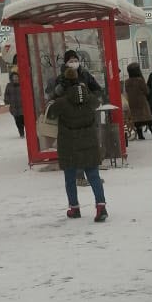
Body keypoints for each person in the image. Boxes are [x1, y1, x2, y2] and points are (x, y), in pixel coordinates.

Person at [51, 67, 108, 222]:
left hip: (69, 143)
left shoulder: (61, 102)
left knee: (70, 178)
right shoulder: (89, 98)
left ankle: (74, 208)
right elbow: (97, 102)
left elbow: (50, 112)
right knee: (94, 176)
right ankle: (101, 206)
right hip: (89, 141)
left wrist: (57, 93)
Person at [124, 62, 152, 140]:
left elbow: (126, 91)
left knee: (137, 119)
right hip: (142, 102)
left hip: (132, 103)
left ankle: (140, 134)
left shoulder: (127, 82)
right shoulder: (140, 80)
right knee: (148, 118)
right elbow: (146, 91)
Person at [3, 70, 25, 138]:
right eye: (14, 77)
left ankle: (28, 132)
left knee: (24, 121)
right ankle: (21, 133)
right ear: (11, 78)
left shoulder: (22, 84)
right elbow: (6, 94)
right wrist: (7, 101)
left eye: (16, 77)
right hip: (14, 107)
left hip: (23, 107)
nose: (15, 78)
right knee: (18, 122)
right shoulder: (9, 85)